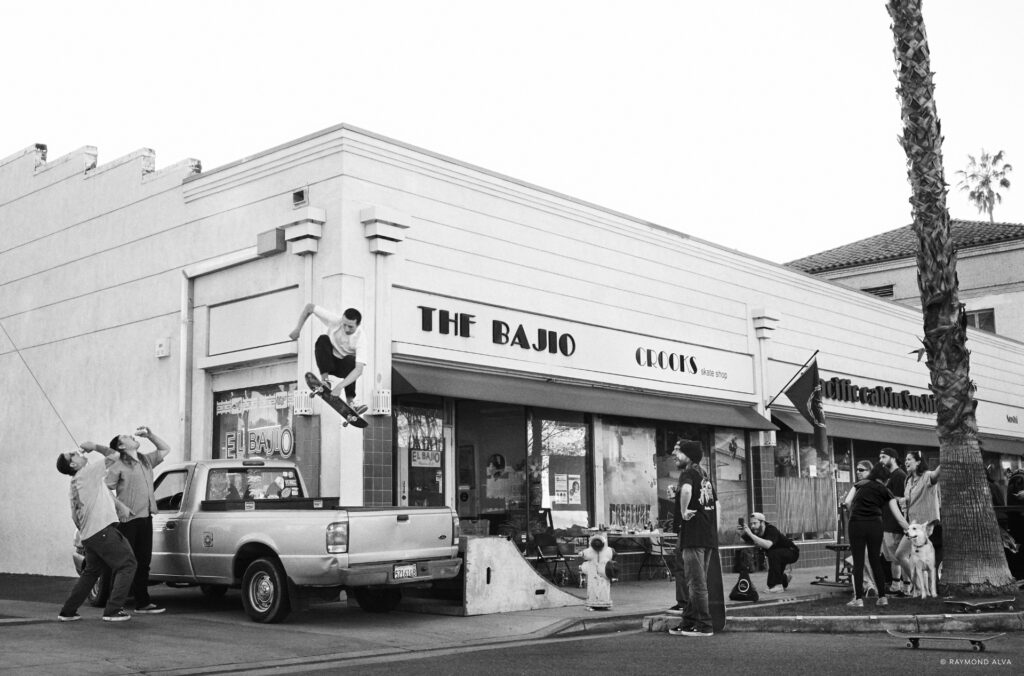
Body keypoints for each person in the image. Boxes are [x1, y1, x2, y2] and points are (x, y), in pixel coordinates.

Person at [56, 442, 138, 622]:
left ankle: (67, 612)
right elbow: (115, 455)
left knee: (91, 572)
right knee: (127, 564)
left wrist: (118, 506)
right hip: (102, 531)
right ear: (73, 465)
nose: (77, 452)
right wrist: (93, 446)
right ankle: (113, 610)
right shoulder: (86, 473)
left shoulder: (75, 484)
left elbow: (74, 516)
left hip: (89, 535)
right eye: (73, 454)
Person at [105, 426, 171, 615]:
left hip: (145, 517)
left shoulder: (145, 460)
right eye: (126, 437)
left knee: (143, 561)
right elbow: (105, 489)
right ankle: (114, 603)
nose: (131, 436)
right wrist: (120, 506)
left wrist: (150, 435)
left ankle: (143, 602)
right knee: (125, 561)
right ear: (121, 446)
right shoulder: (117, 465)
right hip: (128, 520)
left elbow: (165, 449)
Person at [668, 439, 718, 637]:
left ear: (688, 455)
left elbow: (688, 491)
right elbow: (716, 504)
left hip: (694, 535)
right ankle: (688, 621)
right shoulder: (703, 475)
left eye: (678, 451)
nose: (674, 454)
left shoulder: (688, 473)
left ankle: (704, 624)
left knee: (696, 583)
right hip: (706, 535)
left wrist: (683, 510)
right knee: (694, 581)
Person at [844, 461, 910, 608]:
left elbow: (847, 503)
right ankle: (882, 598)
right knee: (875, 561)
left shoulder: (859, 484)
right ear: (886, 480)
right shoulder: (886, 491)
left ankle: (858, 599)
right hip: (875, 524)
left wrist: (855, 513)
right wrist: (911, 530)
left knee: (858, 561)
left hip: (857, 523)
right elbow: (899, 517)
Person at [289, 303, 368, 414]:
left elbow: (359, 370)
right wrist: (298, 329)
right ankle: (325, 381)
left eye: (351, 327)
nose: (346, 329)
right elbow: (309, 307)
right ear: (342, 319)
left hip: (343, 368)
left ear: (358, 325)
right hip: (328, 362)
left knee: (351, 360)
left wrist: (339, 387)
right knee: (323, 339)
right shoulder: (335, 321)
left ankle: (351, 402)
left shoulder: (361, 338)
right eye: (344, 324)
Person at [895, 450, 942, 586]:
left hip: (924, 525)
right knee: (903, 555)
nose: (906, 462)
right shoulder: (908, 480)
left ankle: (920, 587)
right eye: (905, 460)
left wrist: (945, 458)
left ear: (919, 462)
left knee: (904, 554)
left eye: (909, 459)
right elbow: (909, 500)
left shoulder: (927, 476)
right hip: (912, 524)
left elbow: (936, 474)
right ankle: (920, 587)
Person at [739, 512, 799, 592]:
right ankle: (784, 578)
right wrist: (739, 533)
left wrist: (750, 534)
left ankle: (777, 585)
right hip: (778, 555)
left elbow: (767, 545)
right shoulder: (754, 531)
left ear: (762, 522)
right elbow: (740, 541)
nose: (753, 526)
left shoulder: (771, 529)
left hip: (792, 552)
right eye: (751, 524)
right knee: (774, 558)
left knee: (773, 554)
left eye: (755, 523)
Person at [877, 447, 908, 595]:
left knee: (900, 557)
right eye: (880, 457)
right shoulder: (889, 476)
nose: (881, 460)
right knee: (892, 558)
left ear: (893, 458)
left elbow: (903, 500)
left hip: (895, 524)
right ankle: (896, 585)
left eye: (883, 457)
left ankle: (906, 587)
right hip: (886, 522)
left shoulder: (899, 476)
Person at [579, 535, 614, 611]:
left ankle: (593, 602)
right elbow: (613, 554)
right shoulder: (608, 550)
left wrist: (582, 554)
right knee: (604, 586)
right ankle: (604, 601)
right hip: (604, 572)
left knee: (594, 586)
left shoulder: (590, 551)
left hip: (593, 572)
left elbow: (584, 554)